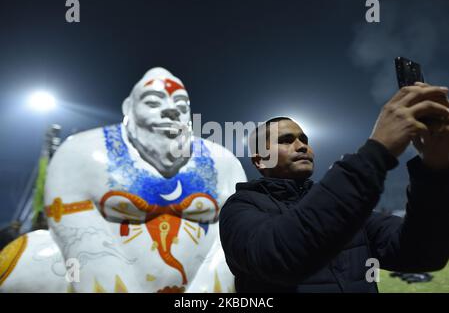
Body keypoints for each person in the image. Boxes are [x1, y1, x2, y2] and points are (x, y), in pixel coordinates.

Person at [0, 67, 247, 293]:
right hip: (94, 280)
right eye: (152, 102)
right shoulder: (82, 153)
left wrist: (208, 288)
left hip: (198, 284)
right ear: (128, 108)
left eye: (182, 105)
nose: (172, 109)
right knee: (29, 257)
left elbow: (238, 234)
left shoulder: (224, 162)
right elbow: (74, 228)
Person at [219, 82, 449, 292]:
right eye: (286, 140)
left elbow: (422, 254)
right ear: (260, 160)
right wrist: (377, 151)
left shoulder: (345, 208)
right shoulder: (240, 208)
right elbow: (281, 259)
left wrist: (434, 170)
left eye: (305, 140)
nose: (302, 147)